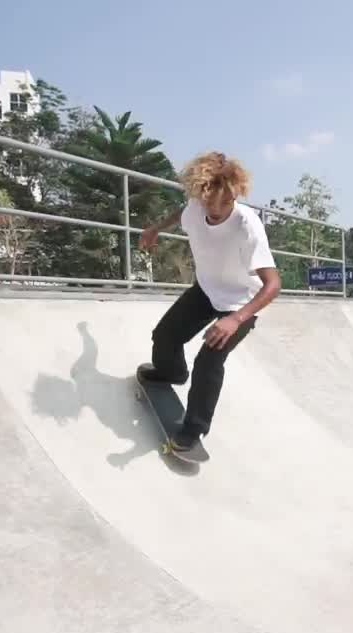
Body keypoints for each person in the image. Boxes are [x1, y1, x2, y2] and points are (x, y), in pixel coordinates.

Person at [138, 151, 280, 453]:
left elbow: (273, 284)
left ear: (235, 195)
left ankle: (194, 429)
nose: (216, 212)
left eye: (225, 204)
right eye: (209, 205)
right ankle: (172, 373)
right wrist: (155, 229)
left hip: (240, 301)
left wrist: (236, 319)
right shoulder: (193, 207)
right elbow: (181, 214)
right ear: (199, 196)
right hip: (205, 290)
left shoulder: (248, 226)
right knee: (164, 336)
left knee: (208, 361)